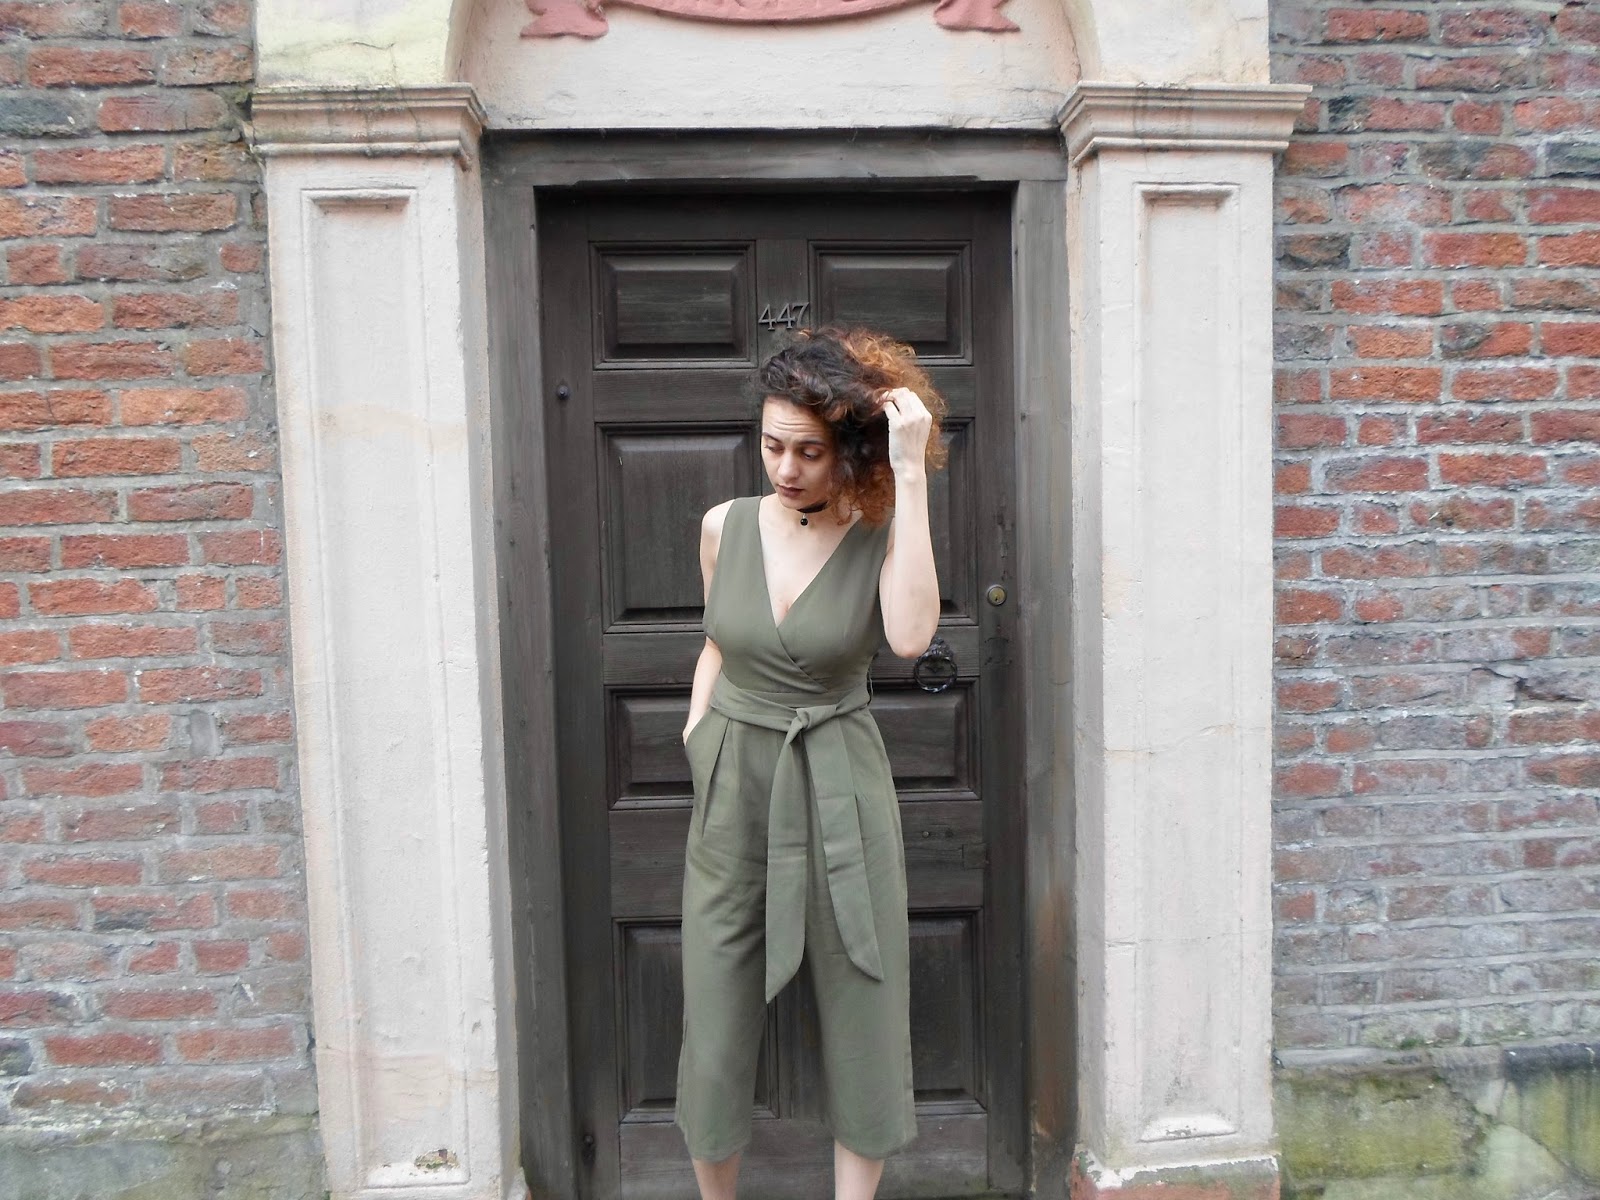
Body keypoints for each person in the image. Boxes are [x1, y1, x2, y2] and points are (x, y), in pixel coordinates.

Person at [676, 326, 946, 1200]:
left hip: (840, 779)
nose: (785, 469)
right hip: (734, 782)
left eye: (809, 451)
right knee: (715, 1008)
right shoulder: (723, 527)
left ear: (850, 450)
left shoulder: (880, 531)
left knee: (864, 998)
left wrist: (910, 477)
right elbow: (718, 642)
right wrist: (699, 738)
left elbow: (912, 637)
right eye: (772, 446)